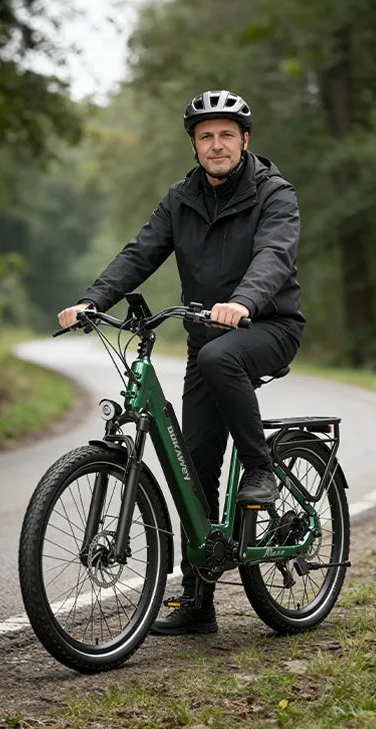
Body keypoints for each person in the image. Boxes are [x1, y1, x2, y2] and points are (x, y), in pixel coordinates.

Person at [58, 89, 305, 636]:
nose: (216, 145)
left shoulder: (274, 193)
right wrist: (93, 300)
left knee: (219, 357)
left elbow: (274, 254)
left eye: (226, 135)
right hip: (207, 339)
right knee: (194, 466)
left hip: (267, 325)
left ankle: (260, 468)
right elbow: (140, 252)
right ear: (194, 146)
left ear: (244, 140)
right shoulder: (181, 198)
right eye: (205, 136)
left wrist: (244, 300)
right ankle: (198, 601)